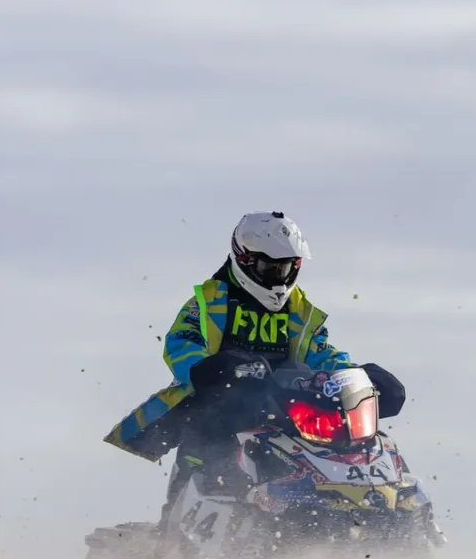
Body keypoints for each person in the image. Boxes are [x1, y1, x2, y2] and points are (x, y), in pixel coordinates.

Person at [105, 211, 405, 501]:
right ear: (244, 260)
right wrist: (206, 367)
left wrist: (357, 375)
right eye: (269, 268)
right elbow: (182, 341)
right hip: (221, 403)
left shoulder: (298, 309)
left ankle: (374, 503)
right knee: (210, 431)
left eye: (286, 268)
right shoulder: (212, 299)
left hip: (286, 408)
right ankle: (181, 520)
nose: (278, 278)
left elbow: (321, 353)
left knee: (355, 436)